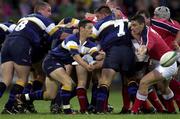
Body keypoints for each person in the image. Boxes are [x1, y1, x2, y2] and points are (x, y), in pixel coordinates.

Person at [16, 19, 101, 114]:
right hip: (51, 62)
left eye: (92, 28)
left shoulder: (90, 44)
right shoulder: (72, 39)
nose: (92, 30)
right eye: (89, 28)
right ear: (81, 29)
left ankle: (21, 97)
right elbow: (76, 57)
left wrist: (102, 56)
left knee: (50, 95)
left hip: (57, 65)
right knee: (69, 83)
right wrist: (87, 66)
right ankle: (67, 111)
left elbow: (96, 55)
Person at [0, 1, 62, 114]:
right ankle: (9, 107)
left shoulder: (24, 18)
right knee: (23, 79)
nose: (50, 14)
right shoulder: (44, 20)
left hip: (7, 44)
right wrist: (74, 29)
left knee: (5, 80)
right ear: (40, 10)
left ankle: (22, 104)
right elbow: (59, 35)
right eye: (48, 10)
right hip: (22, 45)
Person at [92, 5, 135, 113]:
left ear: (104, 14)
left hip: (113, 51)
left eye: (98, 16)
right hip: (128, 51)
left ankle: (99, 109)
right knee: (130, 81)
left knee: (105, 81)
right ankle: (136, 108)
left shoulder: (100, 24)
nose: (97, 19)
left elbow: (89, 36)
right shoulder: (126, 21)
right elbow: (135, 32)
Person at [130, 14, 177, 114]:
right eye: (131, 25)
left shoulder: (147, 35)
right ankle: (172, 111)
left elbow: (145, 47)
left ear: (142, 24)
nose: (132, 28)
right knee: (163, 88)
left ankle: (133, 112)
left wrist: (141, 51)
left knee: (143, 82)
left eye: (134, 25)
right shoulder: (145, 31)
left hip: (167, 63)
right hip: (166, 61)